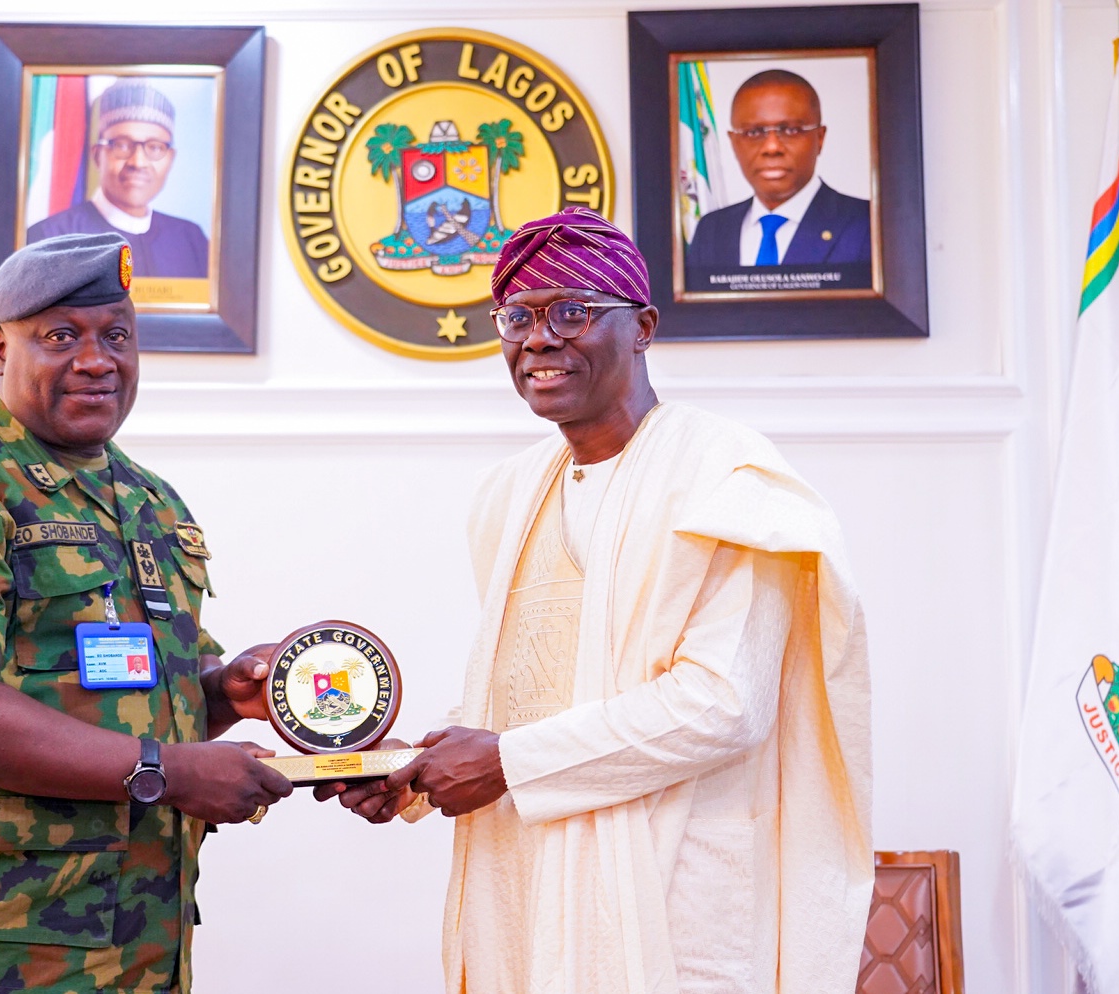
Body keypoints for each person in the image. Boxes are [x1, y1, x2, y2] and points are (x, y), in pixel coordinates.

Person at [321, 208, 873, 993]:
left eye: (571, 312)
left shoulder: (728, 477)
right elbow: (536, 684)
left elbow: (723, 704)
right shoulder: (507, 492)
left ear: (642, 326)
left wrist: (506, 762)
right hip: (529, 879)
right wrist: (414, 768)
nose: (538, 339)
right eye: (516, 317)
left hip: (670, 890)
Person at [0, 231, 291, 993]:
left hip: (134, 940)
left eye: (116, 336)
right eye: (60, 336)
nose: (96, 360)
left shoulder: (148, 500)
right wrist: (169, 770)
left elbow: (138, 698)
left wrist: (226, 693)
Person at [687, 69, 871, 269]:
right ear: (734, 142)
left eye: (790, 130)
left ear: (820, 138)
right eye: (754, 132)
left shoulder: (869, 224)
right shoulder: (712, 230)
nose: (771, 147)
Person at [26, 80, 210, 278]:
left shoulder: (191, 239)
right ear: (98, 156)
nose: (138, 162)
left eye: (155, 147)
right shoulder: (49, 238)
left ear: (170, 159)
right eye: (122, 145)